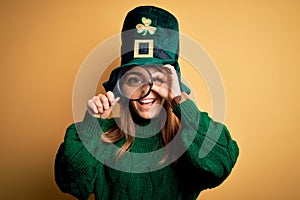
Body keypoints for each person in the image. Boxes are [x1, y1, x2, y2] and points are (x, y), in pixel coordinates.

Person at [55, 5, 239, 200]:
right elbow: (71, 182)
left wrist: (180, 101)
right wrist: (91, 126)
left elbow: (220, 164)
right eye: (135, 79)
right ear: (122, 86)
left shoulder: (187, 140)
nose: (146, 90)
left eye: (158, 79)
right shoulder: (104, 135)